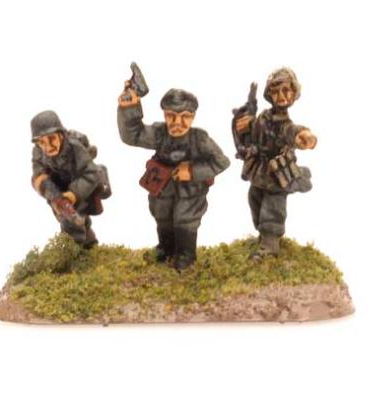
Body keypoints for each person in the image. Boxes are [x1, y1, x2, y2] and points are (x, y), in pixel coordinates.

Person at [117, 86, 230, 270]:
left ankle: (186, 255)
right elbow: (132, 135)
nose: (178, 122)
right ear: (164, 115)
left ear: (193, 116)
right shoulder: (159, 134)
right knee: (162, 216)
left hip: (190, 193)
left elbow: (221, 162)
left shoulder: (200, 139)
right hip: (162, 188)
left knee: (185, 220)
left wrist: (192, 171)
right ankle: (166, 249)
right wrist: (129, 107)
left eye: (185, 116)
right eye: (171, 116)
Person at [233, 68, 317, 261]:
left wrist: (302, 136)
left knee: (273, 208)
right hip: (260, 171)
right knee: (254, 198)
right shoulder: (265, 116)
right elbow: (258, 129)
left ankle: (270, 244)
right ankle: (263, 236)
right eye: (276, 91)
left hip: (277, 174)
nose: (281, 96)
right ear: (269, 94)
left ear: (294, 94)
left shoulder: (285, 123)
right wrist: (248, 124)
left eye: (286, 91)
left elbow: (290, 131)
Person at [31, 110, 111, 249]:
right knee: (72, 218)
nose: (48, 147)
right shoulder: (38, 151)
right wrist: (53, 195)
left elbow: (91, 173)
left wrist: (73, 195)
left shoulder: (74, 147)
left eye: (52, 139)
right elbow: (38, 175)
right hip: (60, 189)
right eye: (42, 142)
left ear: (61, 135)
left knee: (72, 222)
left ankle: (74, 251)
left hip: (81, 184)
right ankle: (89, 245)